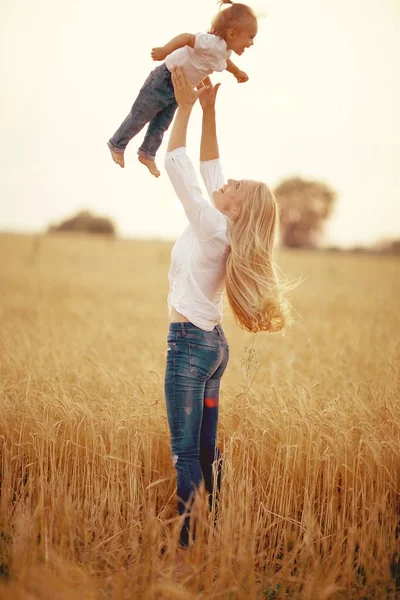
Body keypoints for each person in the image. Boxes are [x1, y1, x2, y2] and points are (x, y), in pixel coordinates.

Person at [163, 66, 291, 567]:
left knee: (185, 453)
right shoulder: (227, 225)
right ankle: (209, 532)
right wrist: (212, 112)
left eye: (237, 185)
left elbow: (177, 163)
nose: (228, 181)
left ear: (236, 208)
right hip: (213, 349)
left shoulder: (213, 222)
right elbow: (212, 170)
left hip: (189, 348)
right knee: (205, 449)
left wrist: (185, 108)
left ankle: (189, 548)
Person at [107, 0, 258, 177]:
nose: (252, 43)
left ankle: (147, 153)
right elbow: (187, 37)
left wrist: (237, 72)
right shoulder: (210, 42)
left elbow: (225, 64)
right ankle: (117, 143)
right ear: (232, 33)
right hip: (163, 79)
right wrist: (165, 50)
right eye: (251, 37)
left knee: (161, 124)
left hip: (179, 90)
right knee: (141, 115)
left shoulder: (224, 53)